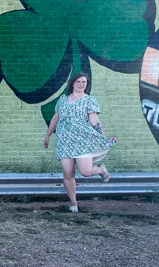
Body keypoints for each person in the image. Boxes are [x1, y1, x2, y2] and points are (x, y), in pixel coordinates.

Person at [42, 73, 115, 213]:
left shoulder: (89, 100)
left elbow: (95, 121)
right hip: (64, 141)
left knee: (86, 172)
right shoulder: (62, 100)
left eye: (84, 82)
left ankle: (101, 170)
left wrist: (103, 137)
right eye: (79, 81)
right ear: (73, 83)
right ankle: (73, 203)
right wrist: (48, 136)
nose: (82, 84)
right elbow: (55, 118)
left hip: (83, 141)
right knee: (68, 174)